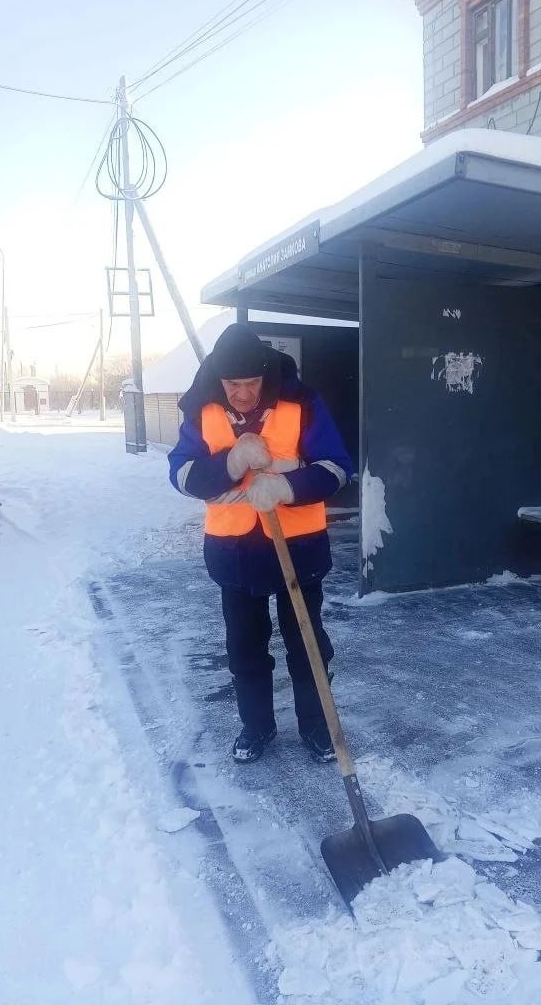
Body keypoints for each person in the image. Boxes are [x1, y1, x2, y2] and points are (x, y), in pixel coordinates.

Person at [168, 323, 353, 764]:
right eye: (233, 384)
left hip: (298, 548)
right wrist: (229, 461)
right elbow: (180, 473)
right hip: (234, 554)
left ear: (265, 374)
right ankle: (257, 727)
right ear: (219, 378)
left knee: (308, 644)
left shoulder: (300, 403)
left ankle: (317, 727)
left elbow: (338, 467)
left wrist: (289, 487)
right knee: (245, 650)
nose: (242, 394)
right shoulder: (202, 409)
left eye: (250, 383)